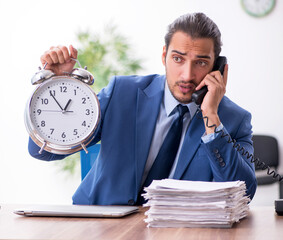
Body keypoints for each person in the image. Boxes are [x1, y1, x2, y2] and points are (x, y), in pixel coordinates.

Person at [28, 12, 257, 206]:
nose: (187, 75)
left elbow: (244, 195)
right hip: (99, 225)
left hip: (177, 233)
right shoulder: (122, 93)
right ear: (164, 56)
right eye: (178, 59)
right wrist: (57, 86)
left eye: (201, 62)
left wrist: (211, 119)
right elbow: (45, 152)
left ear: (218, 67)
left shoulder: (233, 120)